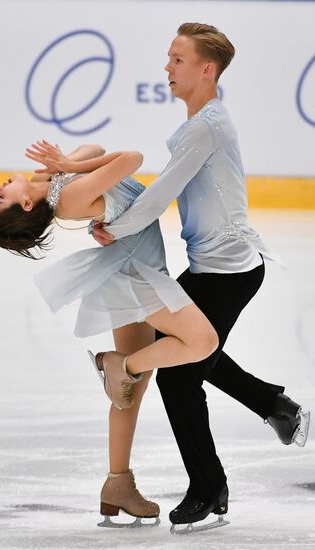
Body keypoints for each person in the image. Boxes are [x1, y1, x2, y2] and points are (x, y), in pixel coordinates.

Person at [91, 22, 310, 530]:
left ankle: (209, 484)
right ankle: (274, 406)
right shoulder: (202, 122)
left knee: (180, 368)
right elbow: (159, 189)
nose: (166, 68)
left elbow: (161, 192)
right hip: (216, 266)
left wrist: (115, 226)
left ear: (206, 69)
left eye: (177, 59)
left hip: (229, 270)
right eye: (169, 58)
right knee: (191, 348)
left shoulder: (206, 127)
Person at [0, 140, 220, 525]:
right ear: (25, 205)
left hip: (126, 267)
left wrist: (65, 164)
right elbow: (133, 159)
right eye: (1, 197)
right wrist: (67, 166)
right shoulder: (70, 194)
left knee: (130, 391)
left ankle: (117, 483)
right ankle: (120, 363)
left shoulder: (53, 182)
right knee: (201, 342)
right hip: (136, 275)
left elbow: (91, 147)